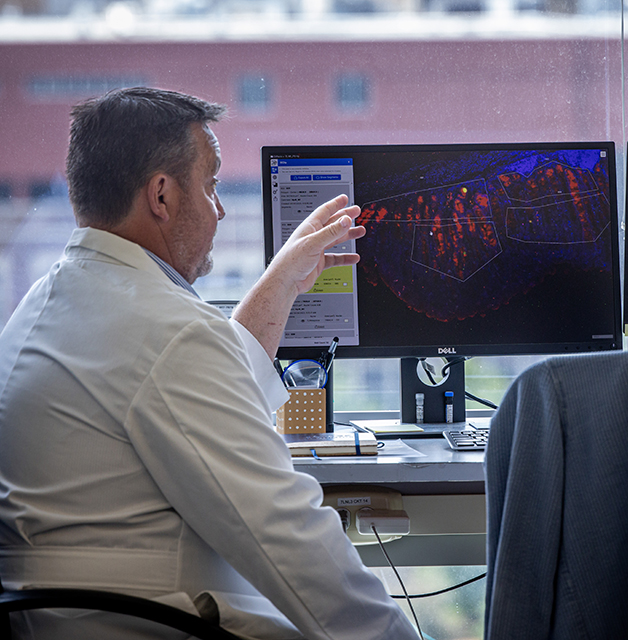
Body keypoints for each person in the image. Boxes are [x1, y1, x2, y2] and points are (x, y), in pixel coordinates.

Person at [0, 87, 420, 640]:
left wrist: (281, 282)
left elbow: (191, 396)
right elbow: (287, 541)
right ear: (162, 195)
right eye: (212, 183)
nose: (219, 207)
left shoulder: (52, 302)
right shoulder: (166, 332)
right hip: (153, 622)